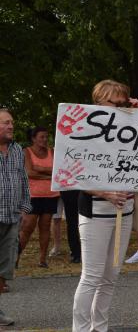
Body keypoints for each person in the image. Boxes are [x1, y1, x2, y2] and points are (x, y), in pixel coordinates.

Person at [72, 80, 138, 332]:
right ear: (100, 101)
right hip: (95, 211)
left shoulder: (131, 127)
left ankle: (99, 328)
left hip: (124, 210)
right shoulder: (85, 130)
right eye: (117, 103)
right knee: (91, 276)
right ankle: (80, 329)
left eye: (125, 102)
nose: (122, 107)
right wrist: (105, 193)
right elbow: (73, 175)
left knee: (110, 277)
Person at [0, 109, 32, 326]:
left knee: (3, 268)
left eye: (12, 122)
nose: (11, 126)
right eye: (5, 123)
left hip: (11, 217)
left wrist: (24, 207)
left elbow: (23, 179)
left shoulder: (17, 149)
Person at [18, 127, 58, 269]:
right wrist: (49, 175)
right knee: (27, 227)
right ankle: (15, 258)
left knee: (45, 227)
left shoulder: (52, 152)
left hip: (51, 195)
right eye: (41, 137)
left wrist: (40, 169)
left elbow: (58, 171)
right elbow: (29, 172)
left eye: (46, 137)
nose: (45, 139)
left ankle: (42, 259)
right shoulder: (26, 152)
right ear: (33, 138)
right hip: (32, 196)